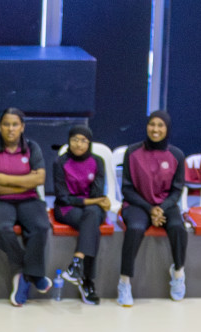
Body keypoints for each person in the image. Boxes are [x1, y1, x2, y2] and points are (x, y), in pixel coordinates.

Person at [0, 108, 52, 307]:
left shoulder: (32, 147)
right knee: (3, 229)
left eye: (15, 124)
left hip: (29, 200)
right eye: (6, 124)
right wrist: (24, 181)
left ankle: (25, 277)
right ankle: (30, 273)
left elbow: (40, 178)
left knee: (41, 227)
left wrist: (5, 179)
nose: (11, 129)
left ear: (22, 127)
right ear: (0, 127)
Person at [118, 111, 188, 307]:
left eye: (160, 125)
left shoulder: (176, 155)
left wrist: (161, 208)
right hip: (137, 204)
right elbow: (127, 189)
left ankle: (178, 273)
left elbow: (177, 190)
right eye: (152, 125)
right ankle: (124, 282)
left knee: (177, 228)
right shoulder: (132, 152)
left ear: (167, 129)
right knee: (135, 228)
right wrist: (150, 209)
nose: (155, 129)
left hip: (166, 204)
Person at [52, 125, 111, 305]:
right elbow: (63, 197)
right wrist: (94, 202)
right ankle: (87, 281)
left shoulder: (97, 161)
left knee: (92, 216)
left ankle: (77, 262)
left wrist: (95, 202)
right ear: (69, 142)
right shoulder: (60, 163)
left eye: (83, 140)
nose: (78, 144)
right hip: (67, 209)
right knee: (93, 227)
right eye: (74, 140)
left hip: (91, 209)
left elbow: (97, 192)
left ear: (89, 143)